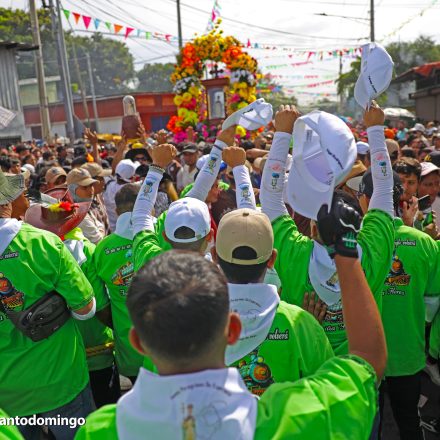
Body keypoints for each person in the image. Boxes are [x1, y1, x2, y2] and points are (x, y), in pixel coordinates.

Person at [76, 212, 387, 440]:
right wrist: (345, 251)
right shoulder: (292, 416)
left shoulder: (100, 430)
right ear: (233, 331)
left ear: (139, 342)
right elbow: (367, 363)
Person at [260, 104, 395, 355]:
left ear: (313, 229)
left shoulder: (295, 256)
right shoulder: (374, 251)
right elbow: (385, 188)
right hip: (359, 372)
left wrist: (282, 133)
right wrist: (376, 130)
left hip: (308, 370)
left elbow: (269, 195)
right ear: (358, 225)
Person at [0, 171, 95, 439]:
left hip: (7, 397)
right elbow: (86, 309)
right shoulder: (43, 242)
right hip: (60, 382)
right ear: (7, 201)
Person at [213, 203, 334, 395]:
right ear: (272, 260)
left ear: (214, 256)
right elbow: (327, 394)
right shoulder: (302, 324)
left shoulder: (191, 322)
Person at [357, 169, 440, 440]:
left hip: (365, 358)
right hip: (408, 352)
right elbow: (432, 301)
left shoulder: (355, 242)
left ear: (365, 200)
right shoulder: (423, 242)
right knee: (409, 423)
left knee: (369, 427)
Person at [25, 187, 118, 409]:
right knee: (104, 410)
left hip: (54, 357)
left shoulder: (32, 254)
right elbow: (100, 307)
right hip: (97, 351)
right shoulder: (87, 251)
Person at [92, 183, 146, 384]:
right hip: (168, 349)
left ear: (116, 211)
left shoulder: (101, 249)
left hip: (130, 350)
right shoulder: (159, 238)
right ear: (147, 206)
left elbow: (99, 307)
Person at [67, 168, 106, 244]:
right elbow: (99, 240)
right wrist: (101, 229)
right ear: (72, 189)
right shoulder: (76, 213)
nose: (90, 190)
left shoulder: (83, 207)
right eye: (85, 187)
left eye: (91, 185)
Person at [103, 159, 140, 231]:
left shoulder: (108, 184)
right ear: (132, 177)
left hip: (110, 230)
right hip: (128, 231)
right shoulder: (134, 190)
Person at [393, 157, 421, 227]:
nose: (405, 188)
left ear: (418, 184)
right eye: (401, 181)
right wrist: (406, 225)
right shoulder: (383, 206)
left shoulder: (421, 208)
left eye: (411, 182)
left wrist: (432, 232)